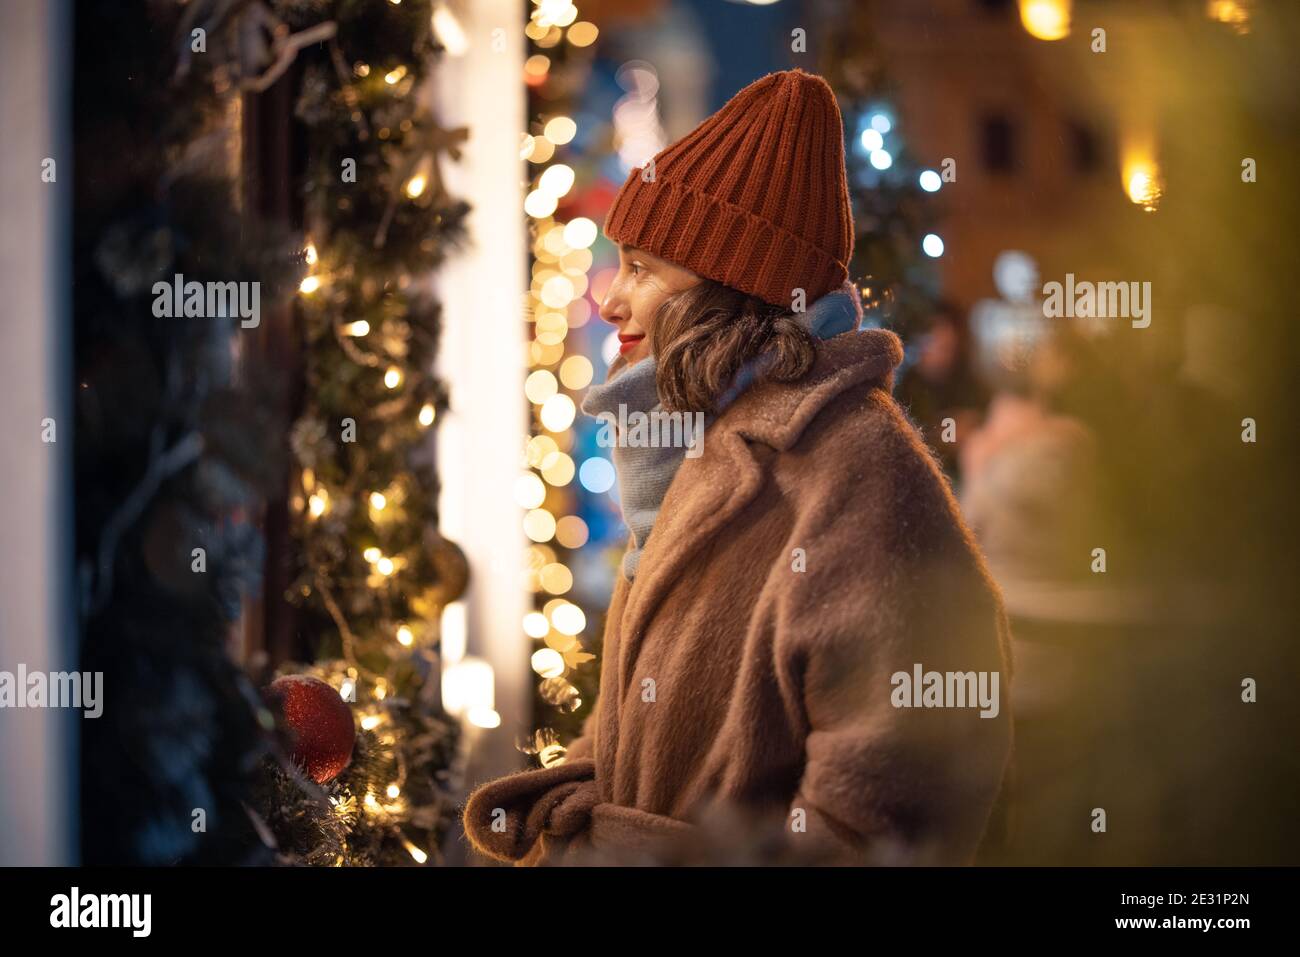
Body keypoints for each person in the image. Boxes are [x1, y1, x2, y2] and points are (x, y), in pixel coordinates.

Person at [462, 69, 1013, 866]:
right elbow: (652, 722)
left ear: (732, 288)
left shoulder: (856, 471)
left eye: (644, 269)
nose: (611, 301)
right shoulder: (696, 448)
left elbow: (890, 814)